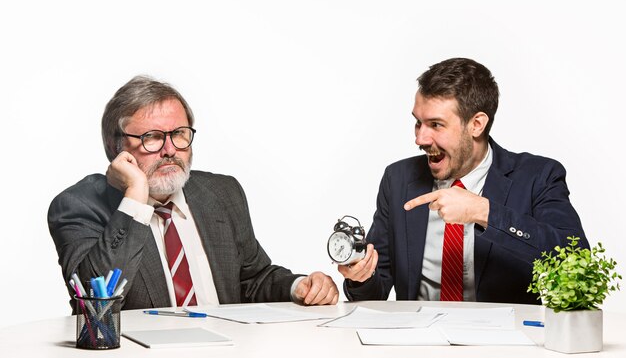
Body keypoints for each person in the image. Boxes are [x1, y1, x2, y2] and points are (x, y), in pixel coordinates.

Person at [49, 75, 338, 310]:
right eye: (152, 137)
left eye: (179, 134)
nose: (170, 150)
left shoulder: (223, 193)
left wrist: (298, 286)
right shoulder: (78, 205)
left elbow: (253, 280)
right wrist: (136, 195)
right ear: (116, 147)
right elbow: (95, 302)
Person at [339, 57, 589, 304]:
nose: (420, 139)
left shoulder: (537, 176)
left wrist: (485, 212)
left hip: (504, 341)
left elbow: (575, 259)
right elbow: (375, 291)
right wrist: (361, 276)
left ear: (477, 125)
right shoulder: (398, 179)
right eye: (418, 123)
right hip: (416, 340)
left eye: (436, 125)